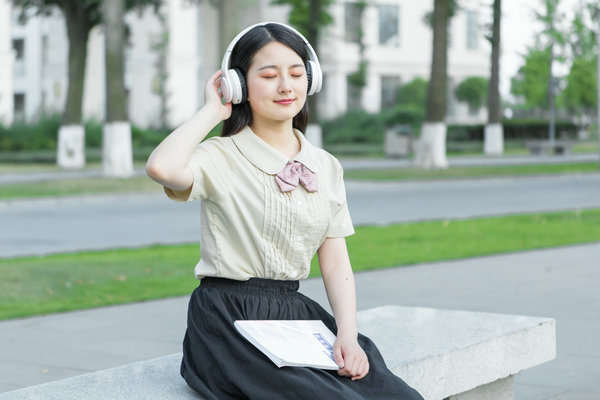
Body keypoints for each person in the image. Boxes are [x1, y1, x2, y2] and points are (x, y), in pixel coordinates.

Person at [146, 22, 423, 400]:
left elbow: (336, 260)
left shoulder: (325, 166)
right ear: (239, 84)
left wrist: (347, 334)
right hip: (228, 319)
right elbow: (162, 168)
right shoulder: (222, 155)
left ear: (311, 80)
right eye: (269, 75)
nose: (286, 86)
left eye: (296, 74)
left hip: (294, 314)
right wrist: (214, 111)